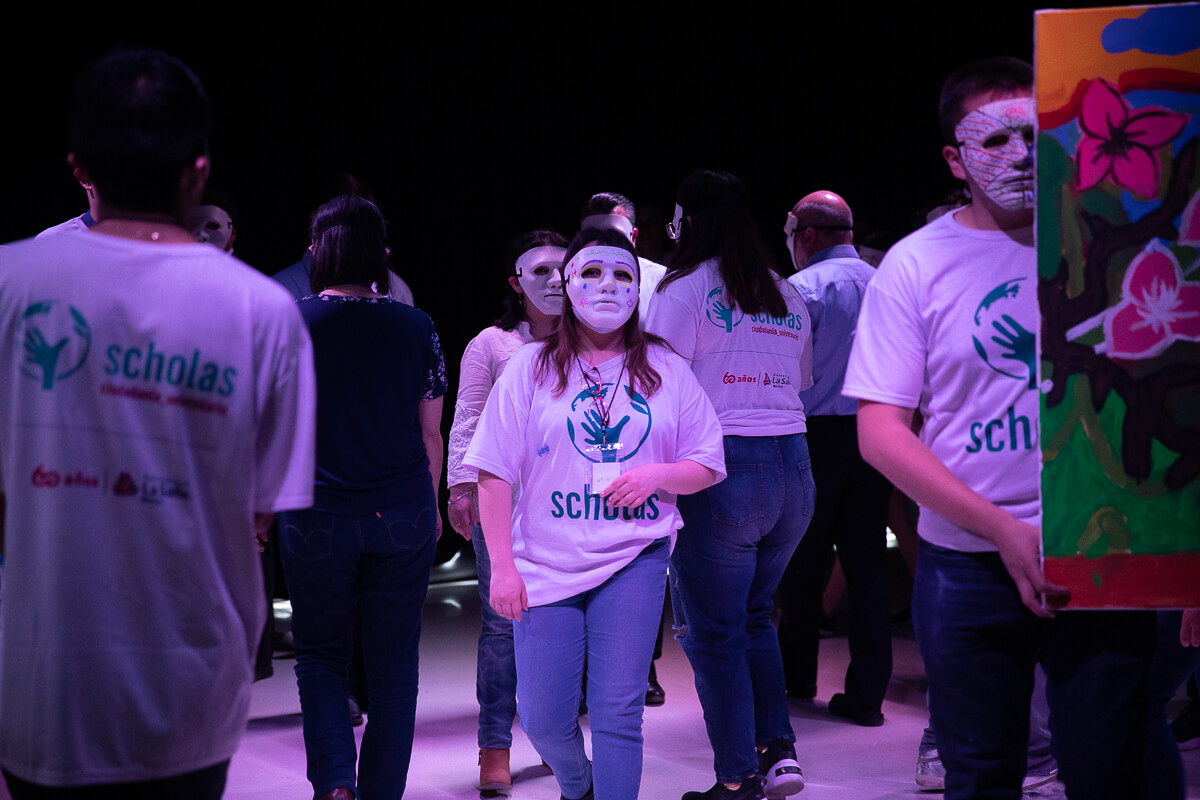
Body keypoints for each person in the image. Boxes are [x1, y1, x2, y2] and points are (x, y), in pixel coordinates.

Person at [0, 48, 316, 797]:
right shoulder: (265, 312)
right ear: (198, 173)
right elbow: (260, 514)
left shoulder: (10, 281)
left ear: (80, 166)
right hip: (190, 693)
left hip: (38, 689)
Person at [843, 57, 1156, 800]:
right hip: (966, 566)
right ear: (955, 159)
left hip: (1103, 550)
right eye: (993, 139)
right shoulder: (915, 265)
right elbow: (880, 431)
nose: (1019, 154)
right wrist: (1001, 528)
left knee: (1111, 774)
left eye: (1034, 134)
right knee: (980, 776)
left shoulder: (1112, 240)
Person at [465, 227, 726, 800]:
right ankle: (579, 785)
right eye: (591, 272)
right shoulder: (529, 367)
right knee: (542, 718)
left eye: (622, 274)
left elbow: (708, 462)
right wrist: (502, 568)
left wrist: (657, 476)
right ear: (568, 283)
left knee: (617, 712)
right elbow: (492, 471)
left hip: (633, 555)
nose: (607, 285)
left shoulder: (665, 366)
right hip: (544, 560)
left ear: (638, 288)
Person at [646, 169, 815, 800]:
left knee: (714, 633)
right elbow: (799, 381)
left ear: (686, 221)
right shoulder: (784, 292)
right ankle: (779, 754)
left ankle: (738, 777)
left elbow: (658, 388)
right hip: (794, 468)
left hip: (722, 469)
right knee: (753, 617)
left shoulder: (683, 289)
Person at [277, 194, 446, 800]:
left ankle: (334, 787)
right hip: (401, 511)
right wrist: (430, 503)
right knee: (394, 668)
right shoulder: (416, 325)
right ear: (380, 253)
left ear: (316, 251)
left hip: (315, 513)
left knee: (321, 657)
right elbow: (431, 431)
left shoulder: (289, 322)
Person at [446, 229, 569, 794]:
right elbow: (468, 417)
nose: (554, 280)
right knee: (501, 626)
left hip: (569, 507)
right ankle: (494, 744)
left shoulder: (591, 340)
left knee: (561, 624)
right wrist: (460, 487)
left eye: (563, 268)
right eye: (539, 270)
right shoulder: (492, 344)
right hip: (504, 505)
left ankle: (553, 736)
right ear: (516, 282)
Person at [774, 190, 893, 726]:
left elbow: (785, 374)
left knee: (801, 558)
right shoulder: (884, 281)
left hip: (814, 435)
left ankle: (796, 677)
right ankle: (868, 697)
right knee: (868, 564)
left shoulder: (801, 289)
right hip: (876, 434)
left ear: (806, 235)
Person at [580, 191, 668, 319]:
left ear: (633, 237)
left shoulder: (662, 282)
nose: (604, 243)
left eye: (614, 234)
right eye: (594, 234)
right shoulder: (563, 280)